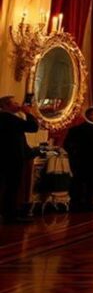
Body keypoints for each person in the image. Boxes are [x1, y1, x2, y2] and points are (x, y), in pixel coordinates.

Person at [0, 95, 39, 224]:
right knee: (12, 187)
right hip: (11, 158)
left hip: (6, 156)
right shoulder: (7, 118)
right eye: (14, 103)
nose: (18, 104)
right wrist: (29, 113)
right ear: (6, 106)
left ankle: (8, 213)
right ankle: (10, 216)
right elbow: (32, 127)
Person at [64, 107, 93, 211]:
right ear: (90, 116)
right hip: (86, 161)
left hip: (89, 161)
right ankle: (83, 202)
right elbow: (68, 145)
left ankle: (83, 202)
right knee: (83, 182)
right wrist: (75, 155)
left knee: (89, 182)